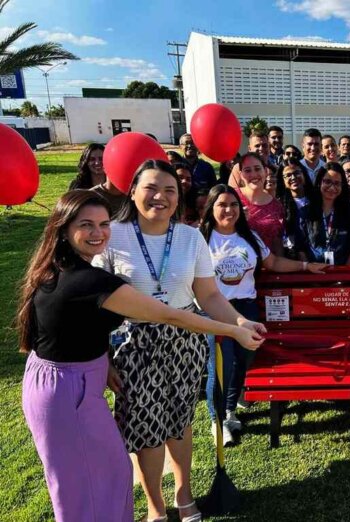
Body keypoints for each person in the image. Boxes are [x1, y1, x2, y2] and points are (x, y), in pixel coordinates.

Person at [18, 190, 263, 522]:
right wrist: (233, 330)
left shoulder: (57, 265)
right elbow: (169, 315)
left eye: (103, 224)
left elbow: (75, 326)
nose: (98, 232)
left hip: (71, 379)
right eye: (86, 225)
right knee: (84, 483)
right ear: (64, 228)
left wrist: (102, 360)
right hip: (66, 388)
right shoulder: (89, 280)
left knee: (109, 472)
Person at [93, 160, 266, 522]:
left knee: (180, 422)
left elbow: (210, 295)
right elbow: (94, 304)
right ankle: (155, 505)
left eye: (170, 190)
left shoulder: (190, 237)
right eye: (151, 188)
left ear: (179, 196)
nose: (161, 197)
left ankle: (183, 493)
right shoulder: (112, 235)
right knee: (146, 430)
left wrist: (240, 321)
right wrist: (104, 359)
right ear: (133, 191)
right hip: (134, 346)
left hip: (185, 341)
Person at [200, 185, 324, 441]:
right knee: (221, 366)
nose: (229, 210)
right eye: (222, 205)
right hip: (215, 310)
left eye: (234, 205)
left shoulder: (249, 237)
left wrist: (305, 266)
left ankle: (230, 410)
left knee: (242, 361)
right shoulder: (200, 240)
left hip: (246, 308)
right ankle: (217, 419)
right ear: (211, 208)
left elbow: (274, 262)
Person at [298, 163, 350, 265]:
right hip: (312, 271)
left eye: (337, 183)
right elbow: (300, 247)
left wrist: (344, 272)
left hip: (343, 271)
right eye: (327, 182)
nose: (332, 187)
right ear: (319, 182)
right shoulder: (305, 212)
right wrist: (309, 269)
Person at [234, 152, 285, 255]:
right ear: (241, 175)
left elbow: (278, 245)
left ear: (265, 171)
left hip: (269, 263)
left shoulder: (276, 206)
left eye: (257, 169)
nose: (253, 175)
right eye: (247, 170)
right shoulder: (232, 198)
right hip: (237, 261)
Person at [277, 159, 313, 259]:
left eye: (297, 173)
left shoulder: (316, 200)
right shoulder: (279, 205)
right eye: (288, 175)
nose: (293, 177)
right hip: (292, 256)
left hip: (316, 254)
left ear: (304, 174)